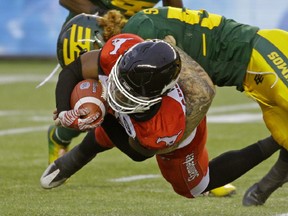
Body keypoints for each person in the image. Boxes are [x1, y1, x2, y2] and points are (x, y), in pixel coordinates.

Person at [40, 33, 279, 199]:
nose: (115, 95)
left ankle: (275, 141)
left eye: (126, 93)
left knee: (193, 187)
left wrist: (104, 115)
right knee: (113, 105)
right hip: (151, 96)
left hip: (183, 124)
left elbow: (137, 152)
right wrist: (63, 112)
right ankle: (77, 158)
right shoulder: (123, 50)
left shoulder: (167, 126)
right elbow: (74, 69)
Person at [94, 6, 288, 205]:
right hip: (253, 72)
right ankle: (261, 191)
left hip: (264, 55)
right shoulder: (135, 36)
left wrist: (170, 140)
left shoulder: (139, 41)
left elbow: (203, 93)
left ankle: (262, 189)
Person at [48, 0, 183, 164]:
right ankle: (60, 136)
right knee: (89, 96)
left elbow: (175, 12)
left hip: (137, 36)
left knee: (144, 94)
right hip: (93, 29)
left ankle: (196, 167)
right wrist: (104, 17)